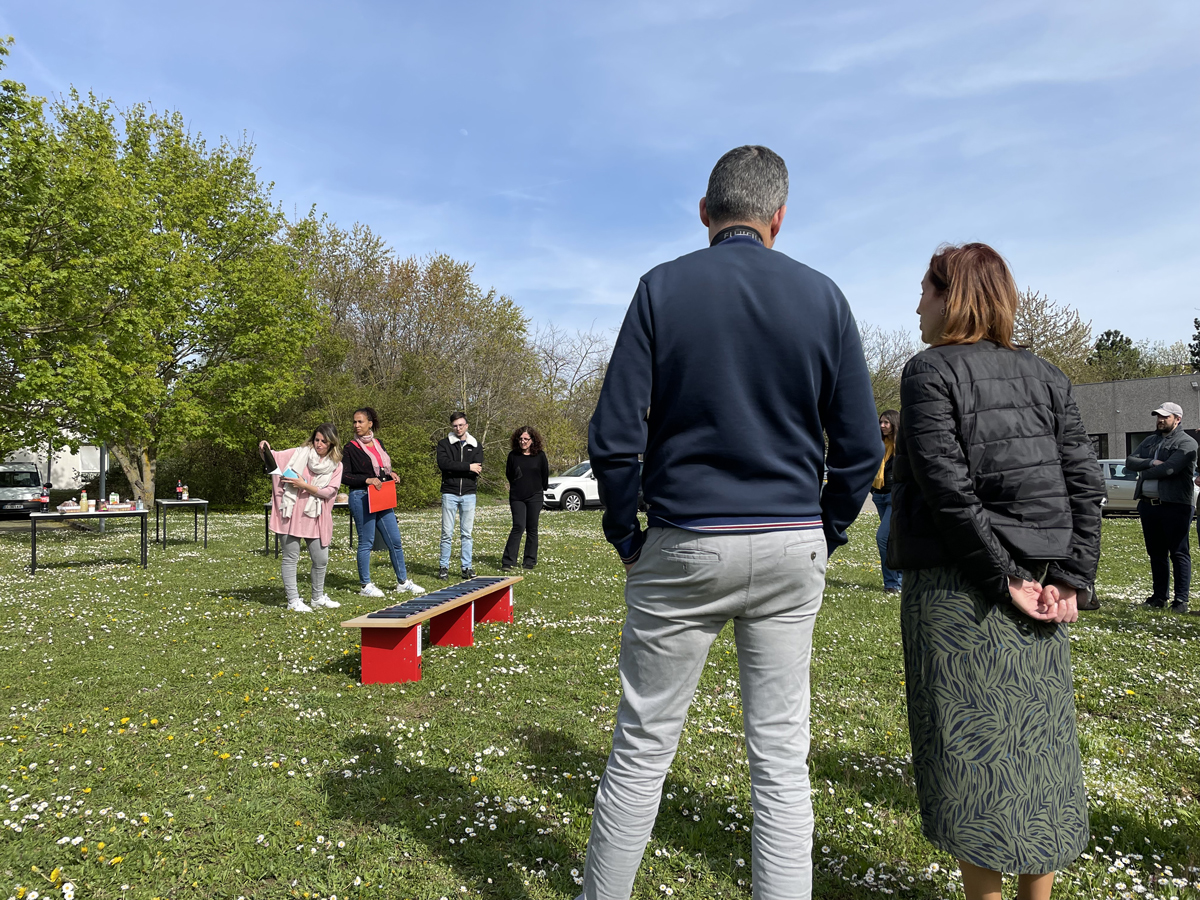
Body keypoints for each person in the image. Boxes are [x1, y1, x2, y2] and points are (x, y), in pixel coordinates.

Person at [579, 145, 882, 900]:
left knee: (642, 748)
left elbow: (615, 438)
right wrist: (830, 529)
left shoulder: (661, 288)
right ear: (780, 217)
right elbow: (862, 447)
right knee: (781, 760)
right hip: (789, 545)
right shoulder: (823, 297)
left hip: (684, 542)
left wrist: (626, 535)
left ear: (706, 213)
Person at [888, 242, 1104, 900]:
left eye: (924, 290)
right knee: (1039, 756)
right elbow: (1083, 484)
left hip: (961, 596)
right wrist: (1070, 576)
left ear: (952, 297)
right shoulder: (1047, 375)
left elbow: (950, 492)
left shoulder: (929, 373)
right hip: (1040, 588)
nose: (916, 303)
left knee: (971, 761)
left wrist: (1002, 577)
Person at [260, 425, 345, 613]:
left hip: (316, 516)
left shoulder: (337, 465)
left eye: (324, 441)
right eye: (317, 440)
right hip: (290, 514)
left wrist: (303, 485)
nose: (319, 444)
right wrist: (264, 446)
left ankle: (317, 597)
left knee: (321, 559)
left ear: (332, 442)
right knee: (290, 557)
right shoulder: (298, 453)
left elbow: (329, 491)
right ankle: (293, 600)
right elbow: (272, 458)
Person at [343, 407, 426, 599]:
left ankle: (403, 582)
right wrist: (367, 480)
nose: (356, 425)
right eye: (354, 422)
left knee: (395, 541)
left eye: (360, 422)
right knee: (367, 542)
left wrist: (390, 474)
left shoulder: (378, 443)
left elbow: (382, 468)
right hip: (361, 497)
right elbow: (345, 477)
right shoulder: (350, 448)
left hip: (381, 496)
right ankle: (365, 585)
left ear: (370, 423)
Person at [1126, 401, 1197, 613]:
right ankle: (1159, 597)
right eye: (1158, 416)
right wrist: (1149, 463)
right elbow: (1130, 461)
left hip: (1175, 505)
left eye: (1165, 417)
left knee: (1178, 552)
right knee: (1156, 553)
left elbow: (1169, 470)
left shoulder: (1187, 443)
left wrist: (1144, 470)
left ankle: (1181, 601)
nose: (1160, 420)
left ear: (1177, 419)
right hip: (1148, 505)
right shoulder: (1150, 440)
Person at [435, 411, 483, 581]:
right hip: (449, 492)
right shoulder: (444, 444)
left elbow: (477, 468)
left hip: (469, 494)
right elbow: (444, 465)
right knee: (447, 533)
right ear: (452, 427)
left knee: (467, 533)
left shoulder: (475, 444)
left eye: (461, 425)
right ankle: (443, 567)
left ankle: (466, 567)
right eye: (455, 425)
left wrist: (460, 467)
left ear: (467, 426)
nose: (458, 428)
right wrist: (468, 467)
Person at [502, 425, 549, 571]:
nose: (523, 442)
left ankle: (529, 561)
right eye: (520, 439)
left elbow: (545, 475)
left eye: (526, 439)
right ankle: (508, 561)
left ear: (532, 440)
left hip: (535, 496)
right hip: (517, 497)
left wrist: (539, 490)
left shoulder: (540, 456)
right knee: (518, 526)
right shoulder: (513, 455)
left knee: (532, 528)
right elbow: (509, 474)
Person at [871, 409, 902, 594]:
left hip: (894, 496)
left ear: (894, 424)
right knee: (892, 540)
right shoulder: (878, 445)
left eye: (886, 423)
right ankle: (899, 581)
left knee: (883, 538)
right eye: (881, 422)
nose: (882, 426)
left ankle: (892, 584)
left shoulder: (902, 446)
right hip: (879, 496)